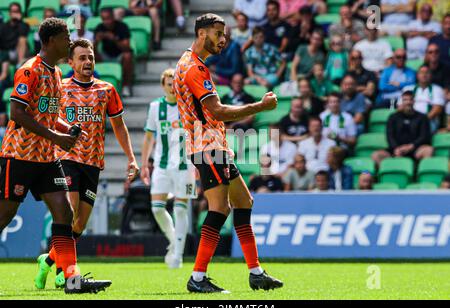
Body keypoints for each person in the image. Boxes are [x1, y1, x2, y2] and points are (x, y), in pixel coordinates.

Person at [173, 13, 283, 293]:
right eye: (218, 33)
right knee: (220, 208)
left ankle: (256, 273)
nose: (223, 40)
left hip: (214, 145)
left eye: (224, 35)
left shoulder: (192, 64)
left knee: (244, 202)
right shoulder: (193, 68)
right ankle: (197, 278)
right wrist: (259, 106)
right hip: (206, 147)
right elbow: (218, 111)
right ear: (201, 34)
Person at [0, 18, 111, 294]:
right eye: (65, 37)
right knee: (4, 215)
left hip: (47, 159)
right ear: (50, 42)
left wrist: (68, 128)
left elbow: (49, 115)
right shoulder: (29, 71)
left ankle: (72, 282)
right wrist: (57, 137)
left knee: (65, 213)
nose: (70, 42)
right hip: (20, 156)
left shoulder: (55, 74)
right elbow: (17, 113)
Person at [34, 38, 138, 289]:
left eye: (90, 57)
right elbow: (44, 114)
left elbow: (119, 126)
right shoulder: (60, 87)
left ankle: (47, 261)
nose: (88, 61)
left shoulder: (106, 90)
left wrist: (132, 157)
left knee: (80, 223)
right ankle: (66, 273)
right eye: (82, 57)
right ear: (70, 62)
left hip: (93, 162)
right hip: (66, 158)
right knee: (69, 213)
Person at [141, 68, 197, 269]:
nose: (173, 86)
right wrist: (144, 164)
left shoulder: (189, 105)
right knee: (157, 209)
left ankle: (178, 256)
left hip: (186, 165)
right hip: (162, 165)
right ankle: (174, 241)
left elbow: (198, 133)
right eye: (169, 83)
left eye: (176, 83)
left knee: (181, 209)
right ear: (162, 86)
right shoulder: (155, 107)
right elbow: (149, 138)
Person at [372, 91, 434, 165]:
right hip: (396, 150)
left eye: (410, 99)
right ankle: (386, 173)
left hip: (415, 149)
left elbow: (424, 136)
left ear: (414, 101)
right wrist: (396, 148)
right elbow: (389, 136)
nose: (408, 102)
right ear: (401, 102)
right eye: (405, 100)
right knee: (376, 155)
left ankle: (420, 174)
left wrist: (410, 146)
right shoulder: (393, 117)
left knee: (429, 150)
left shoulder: (422, 117)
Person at [94, 7, 134, 97]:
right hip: (105, 55)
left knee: (128, 56)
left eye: (108, 18)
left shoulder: (122, 26)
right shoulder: (99, 28)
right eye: (104, 19)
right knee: (90, 55)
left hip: (120, 55)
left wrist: (114, 39)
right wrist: (96, 41)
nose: (106, 22)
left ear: (113, 17)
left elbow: (127, 48)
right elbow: (93, 49)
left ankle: (125, 86)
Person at [403, 65, 445, 133]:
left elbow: (437, 109)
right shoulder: (407, 89)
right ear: (417, 75)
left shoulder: (437, 89)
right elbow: (400, 107)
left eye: (427, 72)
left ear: (431, 75)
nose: (424, 75)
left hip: (428, 121)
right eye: (421, 72)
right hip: (410, 119)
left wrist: (421, 121)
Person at [0, 2, 29, 67]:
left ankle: (19, 65)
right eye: (13, 11)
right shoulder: (4, 26)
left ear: (20, 13)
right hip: (7, 53)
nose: (15, 13)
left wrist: (20, 21)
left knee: (22, 39)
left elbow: (23, 34)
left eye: (17, 11)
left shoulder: (24, 25)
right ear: (9, 13)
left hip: (18, 53)